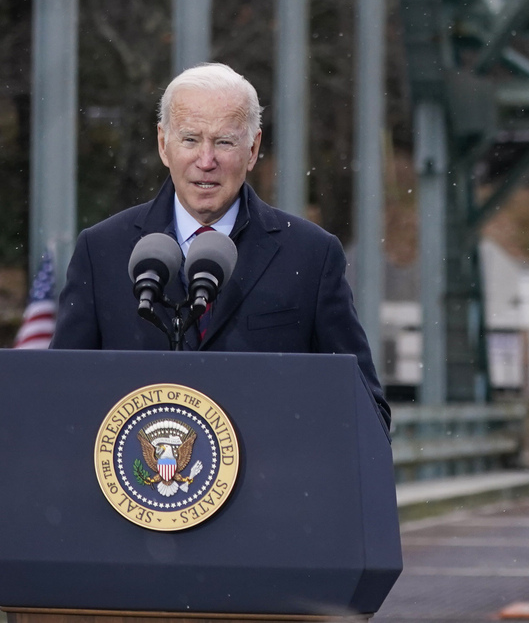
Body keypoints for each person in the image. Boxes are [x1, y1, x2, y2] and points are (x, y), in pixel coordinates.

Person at [51, 62, 389, 426]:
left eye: (224, 142)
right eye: (190, 139)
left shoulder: (311, 256)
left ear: (253, 148)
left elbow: (365, 411)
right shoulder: (101, 252)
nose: (206, 160)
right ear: (164, 144)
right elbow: (58, 398)